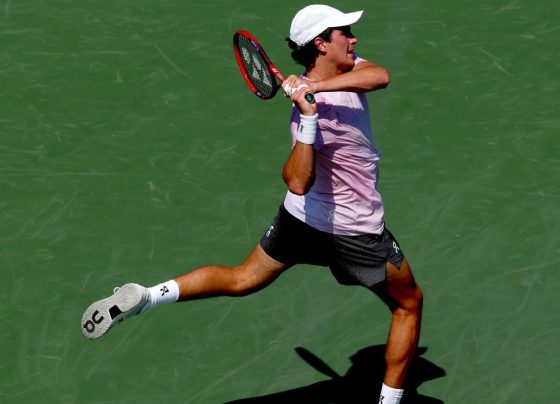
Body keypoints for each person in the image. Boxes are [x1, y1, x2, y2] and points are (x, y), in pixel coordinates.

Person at [81, 5, 423, 404]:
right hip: (354, 231)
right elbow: (298, 181)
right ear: (321, 44)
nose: (353, 38)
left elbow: (381, 76)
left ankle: (147, 296)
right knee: (408, 305)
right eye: (344, 32)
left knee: (242, 278)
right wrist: (309, 118)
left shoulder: (347, 69)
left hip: (301, 222)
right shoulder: (307, 117)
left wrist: (316, 89)